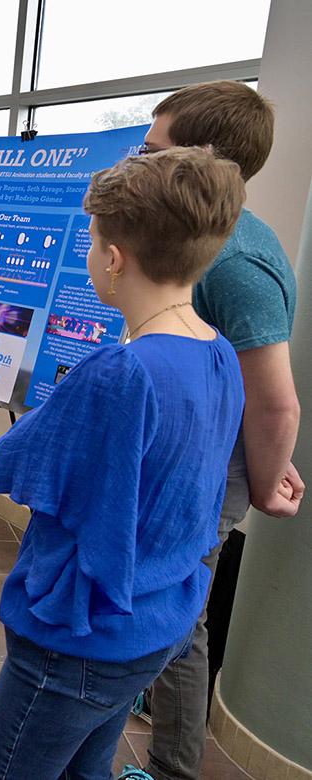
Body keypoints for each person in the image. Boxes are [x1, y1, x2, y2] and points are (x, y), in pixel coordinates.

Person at [0, 147, 247, 780]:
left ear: (114, 260)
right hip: (154, 623)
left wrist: (67, 400)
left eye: (93, 244)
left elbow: (12, 463)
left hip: (80, 639)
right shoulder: (221, 353)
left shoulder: (120, 372)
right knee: (85, 771)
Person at [133, 80, 303, 780]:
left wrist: (265, 483)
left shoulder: (237, 262)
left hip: (205, 478)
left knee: (179, 621)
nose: (136, 164)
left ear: (204, 159)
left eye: (152, 151)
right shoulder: (191, 236)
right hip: (173, 461)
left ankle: (172, 768)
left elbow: (276, 404)